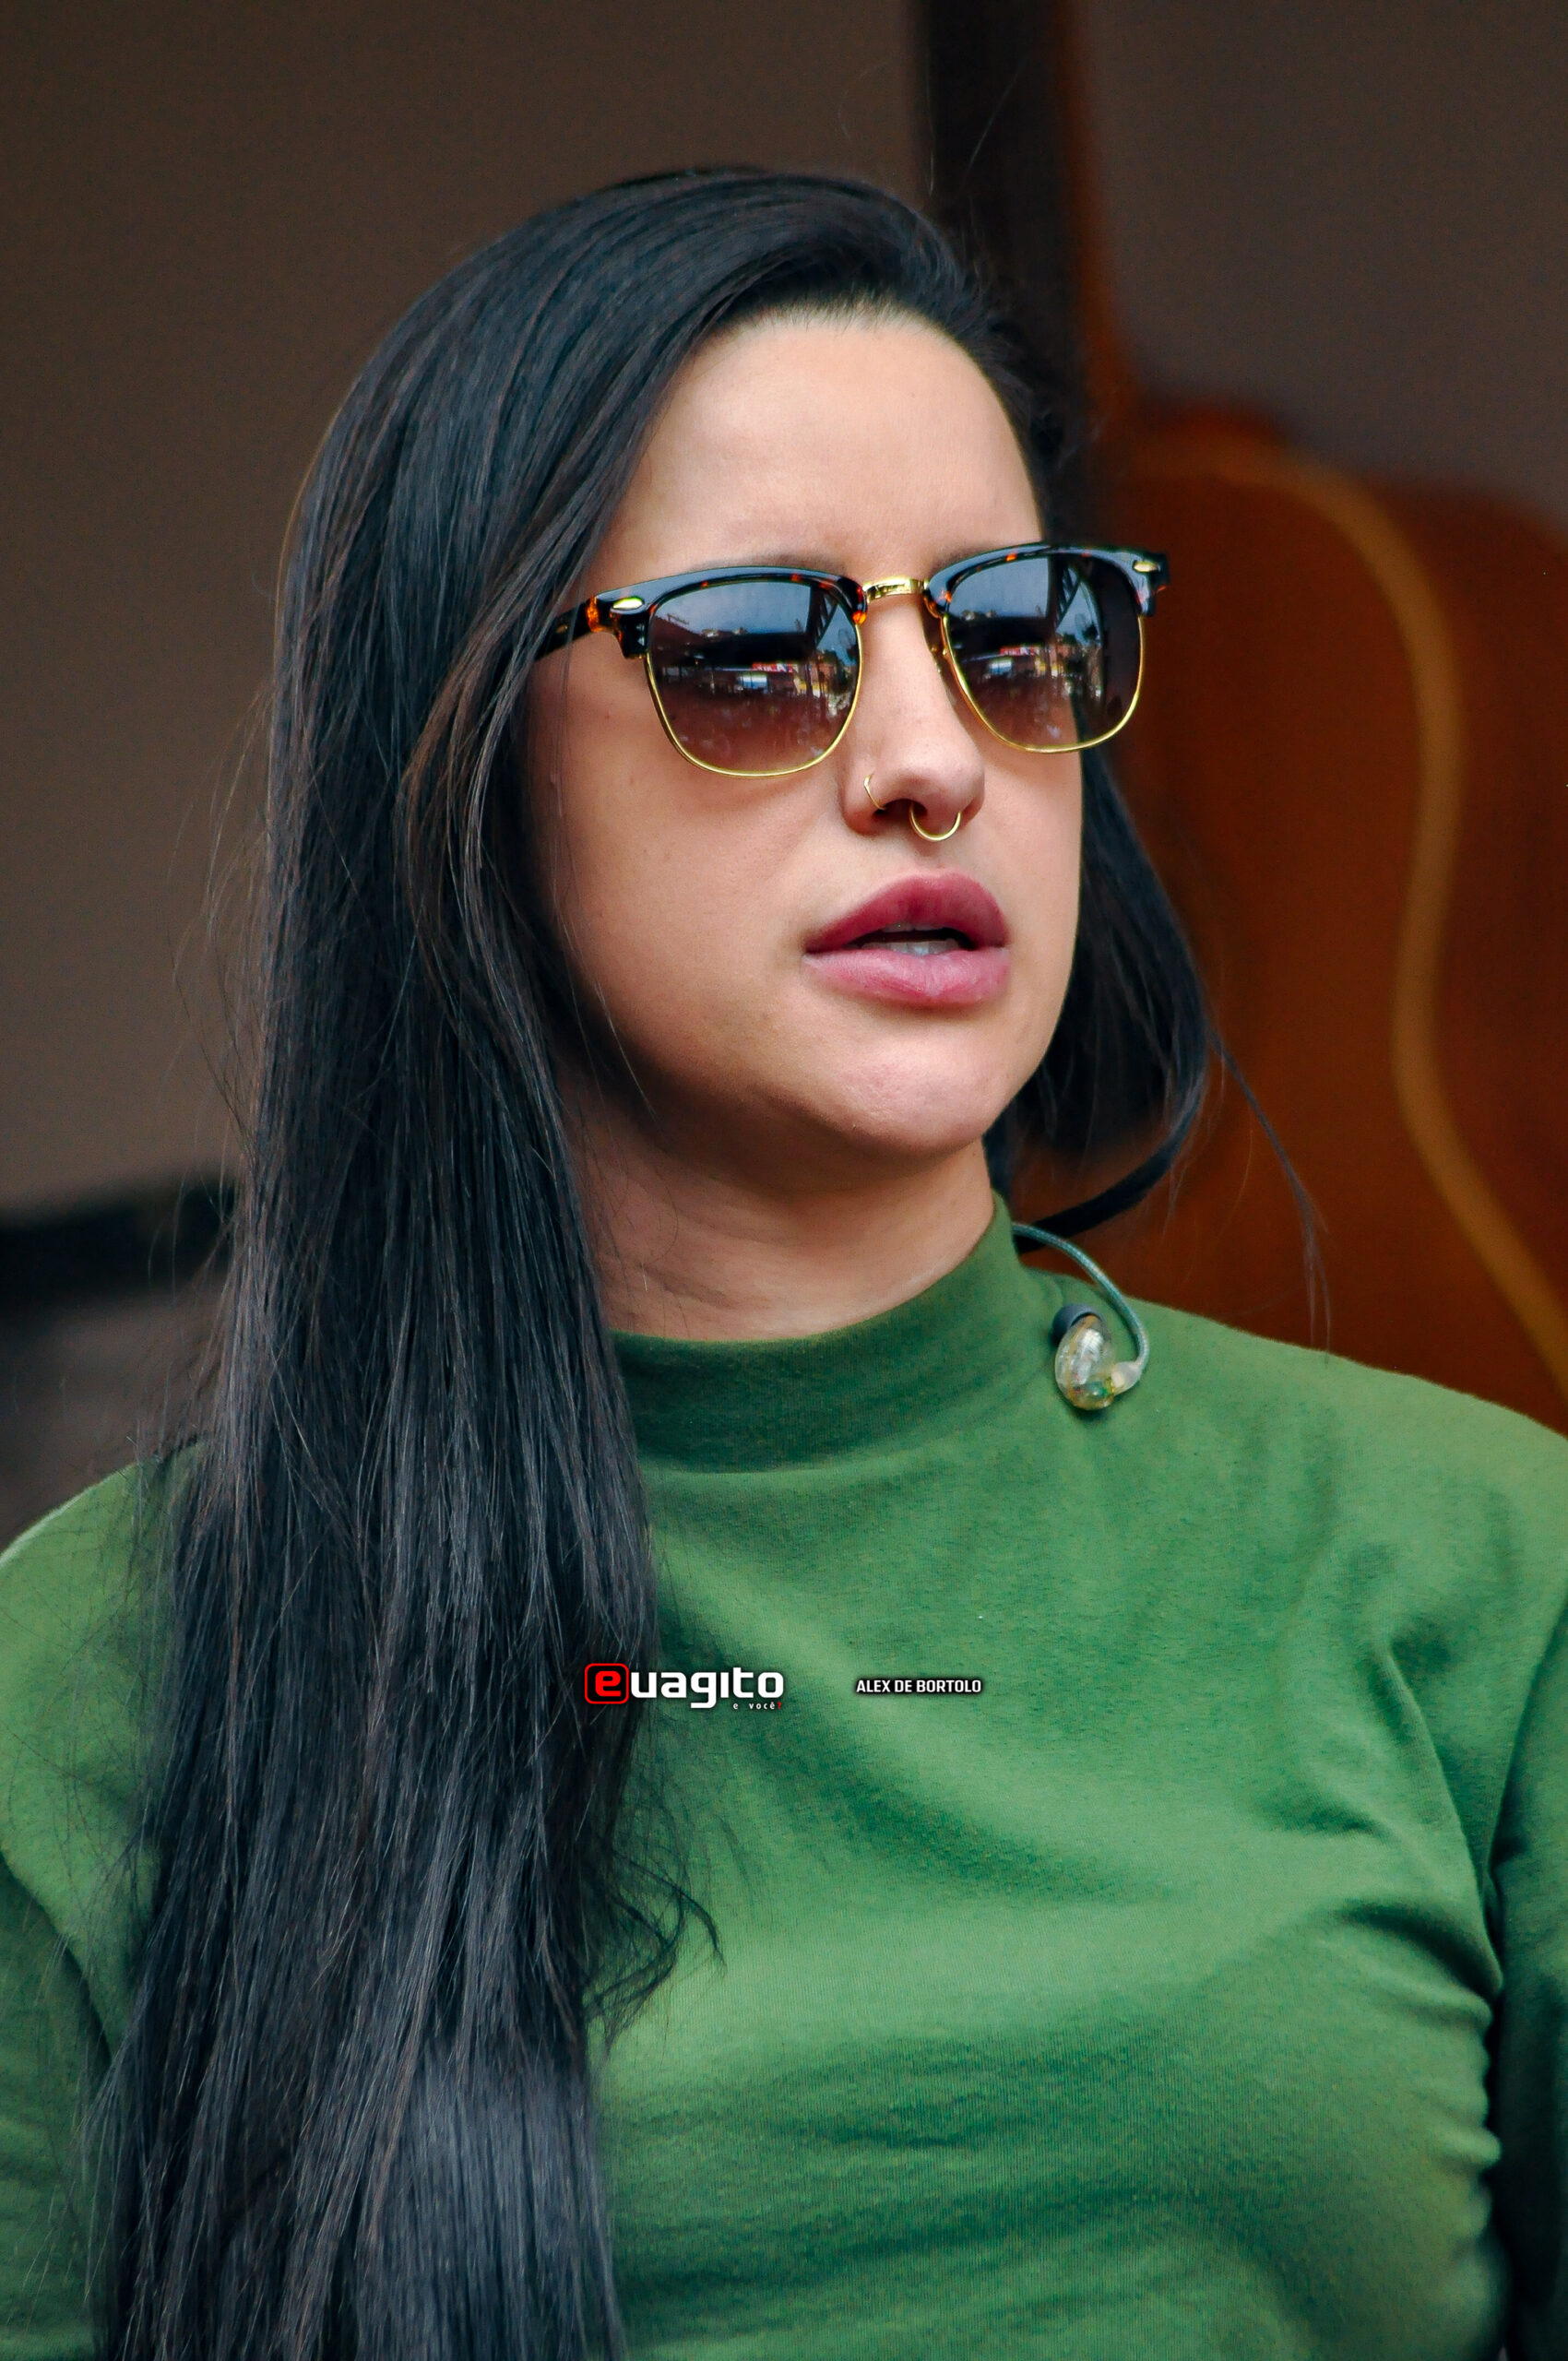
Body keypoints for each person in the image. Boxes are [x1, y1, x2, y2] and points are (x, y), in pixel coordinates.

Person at [1, 169, 1564, 2361]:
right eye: (755, 648)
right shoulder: (91, 1676)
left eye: (1014, 633)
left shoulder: (1479, 1566)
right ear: (461, 756)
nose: (933, 763)